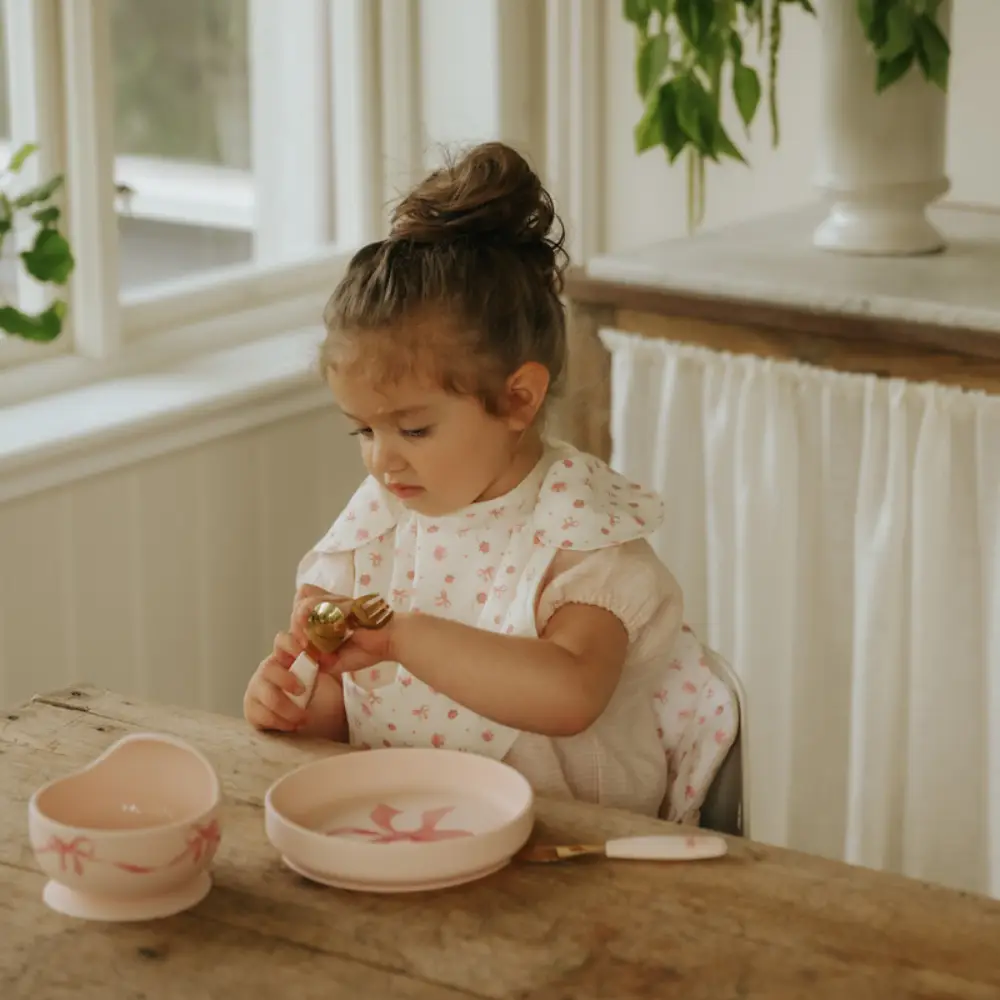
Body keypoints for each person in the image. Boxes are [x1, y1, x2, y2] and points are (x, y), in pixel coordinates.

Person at [242, 141, 689, 816]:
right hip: (410, 829)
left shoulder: (576, 531)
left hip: (580, 852)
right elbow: (353, 715)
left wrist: (403, 639)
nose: (382, 461)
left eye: (413, 430)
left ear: (518, 399)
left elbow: (570, 694)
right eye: (364, 431)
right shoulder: (377, 528)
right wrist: (297, 704)